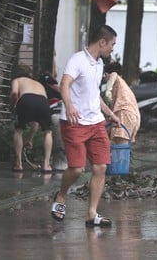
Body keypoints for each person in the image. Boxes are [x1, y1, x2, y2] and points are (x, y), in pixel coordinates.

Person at [50, 25, 121, 228]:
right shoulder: (77, 60)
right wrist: (70, 106)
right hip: (75, 122)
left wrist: (110, 114)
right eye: (112, 44)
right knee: (77, 169)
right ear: (102, 42)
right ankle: (61, 195)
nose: (112, 49)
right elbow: (64, 84)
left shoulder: (99, 65)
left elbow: (94, 95)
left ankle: (92, 213)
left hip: (96, 122)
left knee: (101, 167)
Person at [9, 64, 53, 173]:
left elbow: (14, 93)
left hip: (26, 99)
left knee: (19, 130)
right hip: (43, 101)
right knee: (48, 132)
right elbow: (35, 123)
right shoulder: (38, 84)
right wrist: (30, 138)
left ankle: (18, 164)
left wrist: (12, 106)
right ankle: (46, 165)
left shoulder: (17, 80)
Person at [103, 61, 141, 144]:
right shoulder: (121, 83)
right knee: (119, 146)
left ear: (106, 74)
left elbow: (113, 74)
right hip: (131, 115)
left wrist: (107, 90)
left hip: (124, 114)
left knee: (121, 148)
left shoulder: (114, 77)